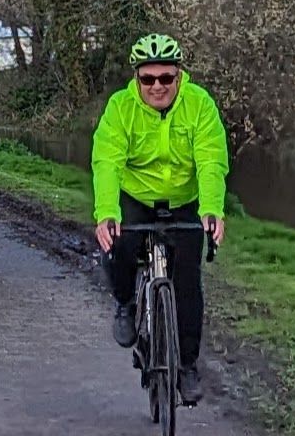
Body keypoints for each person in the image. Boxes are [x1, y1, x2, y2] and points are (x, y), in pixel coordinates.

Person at [92, 33, 228, 403]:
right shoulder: (121, 108)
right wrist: (106, 212)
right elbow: (107, 161)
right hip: (135, 195)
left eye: (166, 78)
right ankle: (125, 302)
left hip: (185, 199)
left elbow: (211, 161)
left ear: (180, 75)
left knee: (187, 282)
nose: (157, 86)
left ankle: (185, 366)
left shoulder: (199, 105)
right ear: (136, 78)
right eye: (147, 79)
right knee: (119, 245)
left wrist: (211, 209)